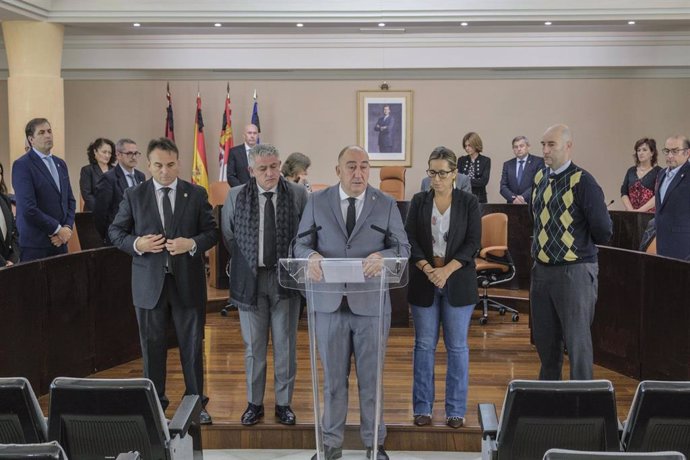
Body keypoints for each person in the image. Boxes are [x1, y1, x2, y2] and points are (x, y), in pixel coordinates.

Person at [294, 145, 410, 460]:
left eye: (364, 166)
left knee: (371, 381)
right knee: (333, 381)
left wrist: (384, 257)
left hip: (371, 306)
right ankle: (331, 447)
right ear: (338, 170)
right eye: (351, 166)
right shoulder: (317, 201)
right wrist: (311, 256)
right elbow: (300, 244)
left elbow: (402, 247)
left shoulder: (385, 203)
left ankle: (375, 445)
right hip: (328, 305)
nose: (358, 173)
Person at [109, 137, 217, 425]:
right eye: (158, 165)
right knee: (151, 346)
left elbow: (211, 232)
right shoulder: (135, 195)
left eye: (170, 165)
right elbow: (115, 232)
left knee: (192, 346)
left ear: (178, 163)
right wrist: (138, 244)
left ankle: (196, 404)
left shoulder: (195, 194)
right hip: (148, 285)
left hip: (188, 284)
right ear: (149, 164)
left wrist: (191, 244)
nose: (165, 171)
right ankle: (155, 404)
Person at [222, 144, 308, 426]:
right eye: (263, 168)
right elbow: (229, 237)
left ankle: (283, 403)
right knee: (254, 347)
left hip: (286, 280)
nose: (270, 173)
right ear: (251, 170)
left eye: (274, 166)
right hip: (250, 280)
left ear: (280, 164)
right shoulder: (236, 196)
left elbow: (305, 236)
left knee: (285, 345)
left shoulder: (297, 194)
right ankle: (254, 403)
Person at [405, 146, 481, 429]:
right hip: (425, 281)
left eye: (443, 173)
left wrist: (447, 271)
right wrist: (428, 268)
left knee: (457, 347)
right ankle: (422, 407)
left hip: (457, 282)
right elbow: (409, 239)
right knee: (424, 346)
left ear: (454, 174)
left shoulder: (468, 202)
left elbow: (473, 243)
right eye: (432, 172)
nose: (436, 179)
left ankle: (455, 410)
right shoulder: (419, 200)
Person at [530, 124, 612, 381]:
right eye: (543, 144)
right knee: (546, 343)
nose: (545, 150)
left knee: (577, 343)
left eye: (551, 144)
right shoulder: (539, 178)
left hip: (574, 271)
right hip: (542, 272)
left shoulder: (583, 181)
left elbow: (603, 231)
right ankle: (550, 400)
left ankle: (582, 404)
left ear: (568, 146)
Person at [12, 118, 76, 262]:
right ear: (31, 139)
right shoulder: (22, 165)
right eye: (41, 132)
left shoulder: (61, 163)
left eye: (49, 131)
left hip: (60, 243)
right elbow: (28, 208)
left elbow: (70, 200)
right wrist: (58, 230)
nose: (48, 135)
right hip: (36, 245)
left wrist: (66, 228)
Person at [93, 138, 146, 244]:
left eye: (136, 153)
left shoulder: (141, 176)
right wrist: (108, 235)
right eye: (129, 153)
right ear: (118, 155)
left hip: (138, 238)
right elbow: (100, 213)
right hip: (117, 238)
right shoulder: (108, 178)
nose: (134, 157)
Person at [654, 135, 690, 261]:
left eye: (675, 151)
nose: (669, 156)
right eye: (667, 151)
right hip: (661, 240)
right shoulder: (661, 173)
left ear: (687, 153)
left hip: (683, 245)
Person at [499, 135, 544, 204]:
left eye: (521, 146)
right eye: (516, 147)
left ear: (528, 147)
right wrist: (514, 198)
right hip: (512, 205)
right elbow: (503, 186)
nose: (519, 149)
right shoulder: (507, 164)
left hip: (531, 204)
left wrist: (522, 197)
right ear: (513, 149)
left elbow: (538, 183)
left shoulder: (538, 162)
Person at [621, 138, 662, 213]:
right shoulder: (631, 171)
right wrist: (631, 211)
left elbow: (658, 195)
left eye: (644, 150)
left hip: (650, 216)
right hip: (630, 215)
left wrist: (640, 211)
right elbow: (624, 192)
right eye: (638, 150)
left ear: (652, 153)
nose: (641, 153)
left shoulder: (659, 171)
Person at [79, 138, 116, 212]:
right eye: (104, 152)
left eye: (109, 153)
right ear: (95, 151)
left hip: (114, 216)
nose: (107, 155)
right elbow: (87, 195)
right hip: (94, 214)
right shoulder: (87, 170)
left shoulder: (116, 170)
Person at [458, 132, 491, 203]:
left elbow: (484, 181)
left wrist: (465, 181)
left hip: (479, 199)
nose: (467, 148)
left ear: (476, 144)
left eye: (469, 145)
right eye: (465, 146)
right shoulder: (461, 160)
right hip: (463, 198)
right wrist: (475, 181)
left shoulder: (485, 160)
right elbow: (458, 180)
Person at [0, 161, 19, 267]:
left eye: (0, 173)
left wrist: (13, 258)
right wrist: (2, 263)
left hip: (9, 266)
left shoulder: (5, 200)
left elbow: (14, 233)